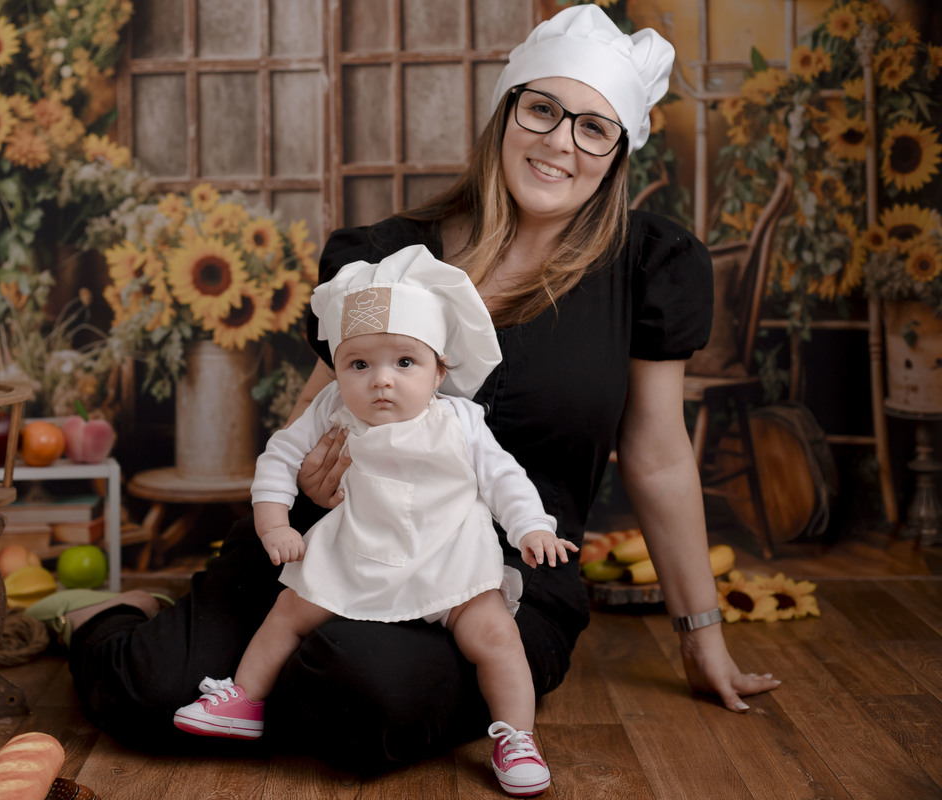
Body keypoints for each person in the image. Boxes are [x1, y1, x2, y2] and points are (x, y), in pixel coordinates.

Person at [62, 1, 780, 778]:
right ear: (507, 112)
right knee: (148, 690)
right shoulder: (387, 256)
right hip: (340, 542)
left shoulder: (648, 265)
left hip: (494, 583)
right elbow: (318, 409)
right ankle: (127, 619)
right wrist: (308, 482)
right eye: (542, 110)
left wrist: (701, 632)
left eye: (593, 127)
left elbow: (659, 458)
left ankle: (269, 686)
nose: (559, 142)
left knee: (363, 689)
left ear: (618, 151)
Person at [172, 245, 576, 796]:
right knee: (288, 610)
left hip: (449, 557)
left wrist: (531, 526)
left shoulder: (460, 419)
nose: (381, 380)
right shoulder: (331, 408)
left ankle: (516, 736)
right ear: (337, 370)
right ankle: (244, 699)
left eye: (404, 362)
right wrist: (275, 525)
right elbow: (279, 457)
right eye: (359, 364)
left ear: (439, 371)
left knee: (496, 636)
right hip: (359, 550)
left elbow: (504, 477)